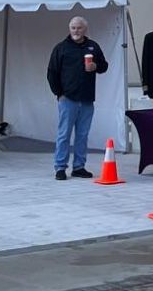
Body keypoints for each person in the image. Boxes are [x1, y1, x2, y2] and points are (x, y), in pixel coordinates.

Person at [46, 15, 109, 180]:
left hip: (87, 99)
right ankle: (60, 167)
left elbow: (104, 66)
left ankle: (79, 166)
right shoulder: (61, 48)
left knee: (82, 135)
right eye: (73, 28)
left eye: (79, 28)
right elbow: (52, 73)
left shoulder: (93, 47)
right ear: (69, 29)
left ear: (85, 29)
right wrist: (59, 94)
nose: (76, 31)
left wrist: (95, 66)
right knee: (64, 134)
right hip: (68, 99)